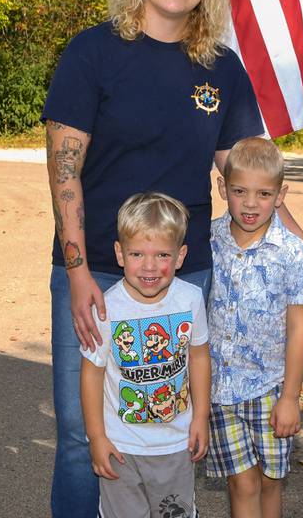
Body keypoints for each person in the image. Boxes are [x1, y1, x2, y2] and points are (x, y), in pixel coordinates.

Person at [42, 0, 303, 517]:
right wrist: (79, 270)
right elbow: (64, 172)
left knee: (171, 424)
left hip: (187, 276)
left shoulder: (220, 68)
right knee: (78, 434)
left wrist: (297, 247)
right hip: (100, 269)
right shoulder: (92, 51)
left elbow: (245, 172)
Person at [80, 192, 210, 517]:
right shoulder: (107, 308)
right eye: (137, 253)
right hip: (121, 446)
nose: (149, 266)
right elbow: (91, 374)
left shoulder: (191, 300)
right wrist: (96, 436)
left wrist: (201, 417)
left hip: (175, 444)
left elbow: (199, 357)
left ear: (180, 257)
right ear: (119, 254)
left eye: (162, 254)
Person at [205, 137, 303, 518]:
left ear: (280, 195)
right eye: (240, 191)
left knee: (270, 481)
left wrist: (291, 398)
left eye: (264, 194)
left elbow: (299, 327)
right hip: (219, 388)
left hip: (270, 387)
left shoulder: (292, 252)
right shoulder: (207, 241)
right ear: (223, 188)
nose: (251, 204)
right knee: (242, 482)